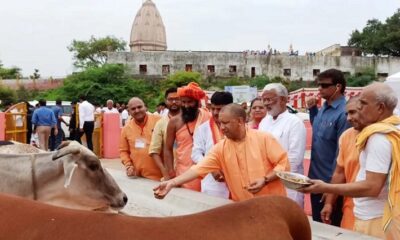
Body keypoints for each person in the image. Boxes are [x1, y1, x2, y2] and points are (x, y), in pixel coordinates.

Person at [301, 82, 400, 239]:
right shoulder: (390, 130)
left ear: (380, 108)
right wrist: (329, 201)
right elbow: (340, 171)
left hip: (375, 219)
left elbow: (372, 187)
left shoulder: (379, 137)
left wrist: (326, 187)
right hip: (374, 213)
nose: (359, 108)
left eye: (363, 103)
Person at [154, 103, 290, 201]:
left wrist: (265, 180)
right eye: (220, 123)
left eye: (226, 123)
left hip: (273, 204)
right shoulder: (221, 148)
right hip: (244, 208)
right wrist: (172, 183)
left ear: (240, 121)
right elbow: (198, 169)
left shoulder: (264, 138)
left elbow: (283, 164)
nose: (222, 127)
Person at [306, 68, 350, 225]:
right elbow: (318, 129)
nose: (319, 89)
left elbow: (341, 155)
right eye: (318, 85)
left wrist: (331, 188)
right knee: (318, 225)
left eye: (324, 85)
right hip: (315, 181)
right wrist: (312, 110)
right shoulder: (323, 107)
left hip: (330, 184)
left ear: (338, 87)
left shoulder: (345, 113)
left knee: (332, 228)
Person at [259, 83, 306, 208]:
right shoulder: (264, 122)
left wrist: (272, 176)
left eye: (269, 99)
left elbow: (294, 159)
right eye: (264, 100)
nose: (266, 103)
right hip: (266, 181)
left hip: (288, 183)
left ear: (283, 100)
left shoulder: (295, 122)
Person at [320, 97, 364, 230]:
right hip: (351, 206)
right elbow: (339, 173)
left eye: (353, 112)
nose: (348, 118)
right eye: (347, 114)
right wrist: (329, 203)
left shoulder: (386, 136)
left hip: (380, 210)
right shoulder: (346, 136)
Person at [164, 82, 211, 191]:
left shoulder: (208, 117)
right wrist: (171, 172)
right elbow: (167, 148)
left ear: (197, 102)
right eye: (183, 102)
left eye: (189, 102)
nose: (186, 105)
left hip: (207, 169)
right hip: (184, 172)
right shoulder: (174, 122)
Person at [191, 91, 233, 198]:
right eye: (213, 108)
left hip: (235, 179)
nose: (215, 112)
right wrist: (211, 168)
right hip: (212, 184)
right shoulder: (203, 128)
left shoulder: (239, 128)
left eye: (219, 109)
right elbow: (195, 154)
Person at [120, 97, 162, 181]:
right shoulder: (126, 128)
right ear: (129, 112)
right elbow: (123, 151)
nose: (137, 110)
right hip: (138, 177)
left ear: (145, 107)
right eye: (133, 109)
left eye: (139, 107)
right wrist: (128, 166)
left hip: (160, 178)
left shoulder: (159, 121)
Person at [149, 88, 181, 180]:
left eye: (177, 99)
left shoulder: (190, 120)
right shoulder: (160, 123)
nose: (174, 102)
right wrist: (165, 172)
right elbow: (154, 151)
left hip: (189, 172)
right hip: (171, 175)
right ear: (166, 101)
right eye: (170, 99)